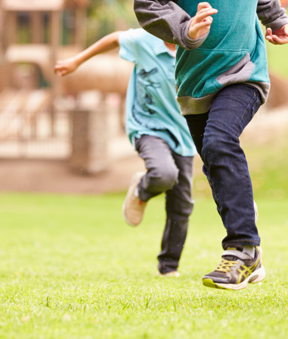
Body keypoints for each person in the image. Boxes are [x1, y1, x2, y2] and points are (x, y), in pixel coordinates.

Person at [133, 0, 288, 290]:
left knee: (222, 141)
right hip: (194, 80)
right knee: (216, 163)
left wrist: (275, 19)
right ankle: (250, 254)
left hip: (244, 73)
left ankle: (241, 248)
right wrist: (186, 28)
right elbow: (147, 1)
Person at [54, 29, 196, 278]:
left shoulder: (197, 50)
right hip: (147, 127)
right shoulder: (145, 41)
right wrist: (77, 61)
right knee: (164, 174)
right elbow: (112, 39)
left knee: (182, 204)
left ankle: (169, 267)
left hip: (184, 134)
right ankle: (142, 189)